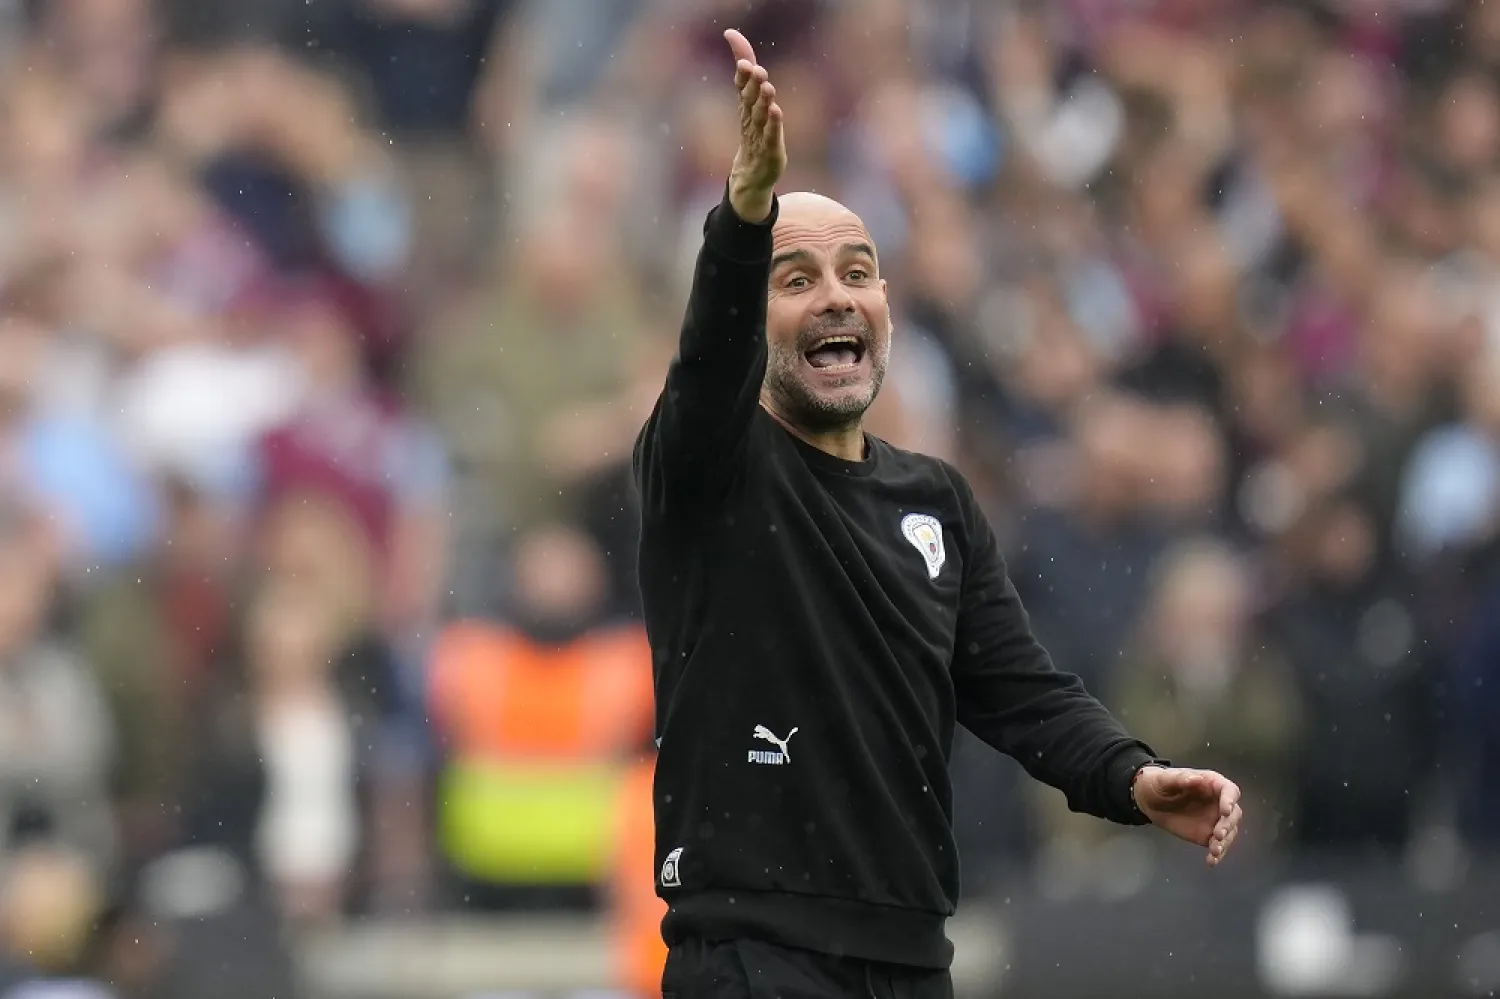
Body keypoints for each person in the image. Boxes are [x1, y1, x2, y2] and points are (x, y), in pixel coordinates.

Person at [632, 28, 1244, 999]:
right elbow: (705, 370)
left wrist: (1129, 776)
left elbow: (1021, 693)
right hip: (751, 956)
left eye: (858, 273)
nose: (837, 297)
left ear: (888, 304)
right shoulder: (708, 472)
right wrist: (744, 219)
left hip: (914, 960)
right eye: (796, 279)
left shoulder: (936, 501)